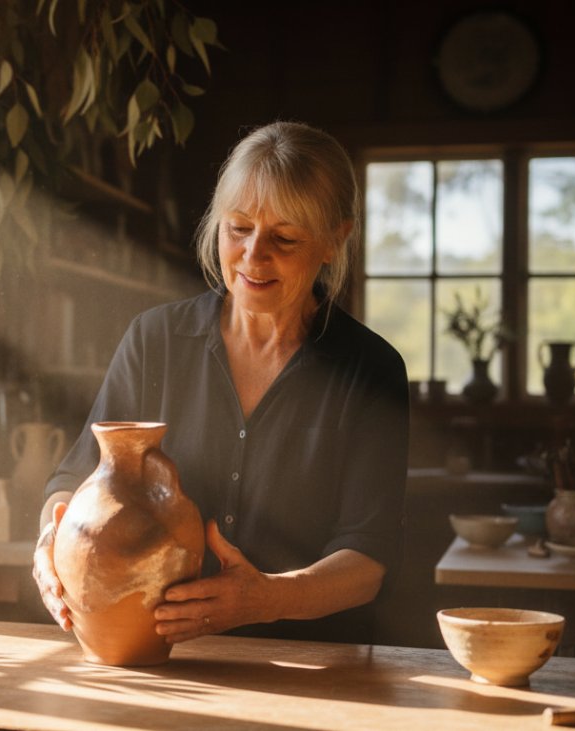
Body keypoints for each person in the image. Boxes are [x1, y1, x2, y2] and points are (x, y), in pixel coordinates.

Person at [32, 121, 409, 645]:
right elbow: (75, 478)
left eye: (284, 238)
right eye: (238, 228)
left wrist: (269, 598)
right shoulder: (156, 340)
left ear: (333, 240)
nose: (253, 255)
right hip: (165, 652)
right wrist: (49, 542)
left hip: (315, 662)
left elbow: (368, 560)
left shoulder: (371, 369)